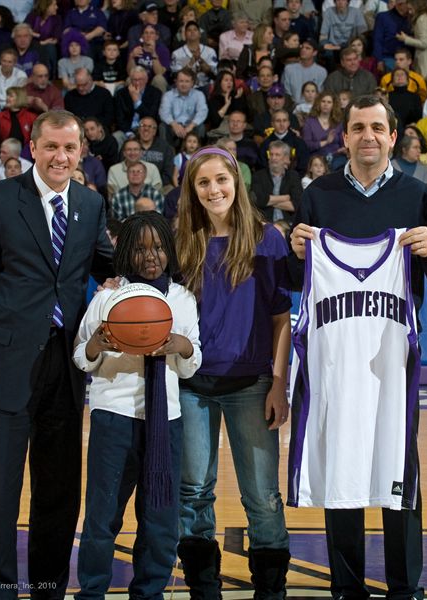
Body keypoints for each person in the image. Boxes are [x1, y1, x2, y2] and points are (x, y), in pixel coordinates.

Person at [288, 94, 427, 600]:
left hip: (393, 354)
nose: (368, 136)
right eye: (358, 128)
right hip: (336, 355)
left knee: (398, 460)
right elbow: (302, 278)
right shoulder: (318, 195)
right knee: (342, 457)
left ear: (392, 136)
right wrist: (299, 252)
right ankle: (347, 585)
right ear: (343, 138)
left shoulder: (417, 194)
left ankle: (405, 585)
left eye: (377, 128)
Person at [0, 110, 115, 597]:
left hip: (66, 366)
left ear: (80, 150)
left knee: (59, 490)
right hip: (6, 366)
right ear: (33, 148)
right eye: (51, 147)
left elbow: (109, 266)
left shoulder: (89, 203)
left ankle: (48, 585)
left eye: (70, 148)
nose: (61, 156)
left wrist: (162, 275)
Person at [174, 146, 292, 598]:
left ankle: (270, 590)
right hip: (191, 385)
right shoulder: (181, 241)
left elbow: (281, 318)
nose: (213, 189)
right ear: (193, 190)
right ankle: (203, 587)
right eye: (203, 183)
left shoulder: (268, 238)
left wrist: (279, 384)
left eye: (220, 180)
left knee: (261, 496)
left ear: (236, 183)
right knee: (194, 492)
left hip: (252, 384)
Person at [74, 211, 201, 599]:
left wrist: (183, 347)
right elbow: (82, 353)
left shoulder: (182, 299)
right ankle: (92, 591)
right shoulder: (107, 297)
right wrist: (98, 344)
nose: (152, 256)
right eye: (142, 248)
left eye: (159, 247)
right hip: (114, 417)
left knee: (160, 519)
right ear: (127, 252)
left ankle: (149, 592)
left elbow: (192, 363)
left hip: (166, 420)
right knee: (102, 515)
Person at [251, 140, 302, 222]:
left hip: (288, 223)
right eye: (271, 154)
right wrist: (286, 198)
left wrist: (268, 202)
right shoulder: (258, 176)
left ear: (285, 158)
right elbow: (257, 200)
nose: (273, 158)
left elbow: (296, 205)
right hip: (265, 222)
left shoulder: (293, 176)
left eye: (277, 155)